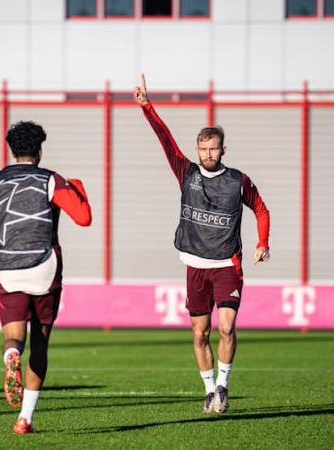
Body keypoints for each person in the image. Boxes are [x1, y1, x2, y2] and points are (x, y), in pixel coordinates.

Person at [134, 74, 270, 414]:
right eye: (204, 148)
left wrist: (262, 242)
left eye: (214, 148)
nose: (209, 153)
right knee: (200, 334)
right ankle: (209, 389)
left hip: (227, 265)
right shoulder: (187, 172)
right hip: (195, 265)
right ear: (198, 150)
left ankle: (223, 385)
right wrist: (146, 107)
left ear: (224, 149)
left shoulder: (238, 180)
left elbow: (261, 209)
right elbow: (165, 140)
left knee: (226, 328)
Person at [0, 120, 92, 434]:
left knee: (14, 336)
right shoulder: (51, 179)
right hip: (43, 266)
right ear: (39, 149)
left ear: (12, 150)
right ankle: (24, 419)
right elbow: (84, 218)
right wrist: (78, 189)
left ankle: (11, 355)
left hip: (7, 268)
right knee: (40, 343)